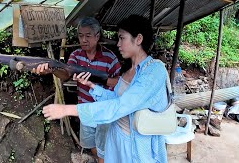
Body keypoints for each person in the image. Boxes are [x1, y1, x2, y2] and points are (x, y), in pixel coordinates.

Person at [42, 15, 168, 162]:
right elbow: (115, 98)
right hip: (117, 137)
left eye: (122, 38)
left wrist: (68, 110)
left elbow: (122, 105)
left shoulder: (154, 70)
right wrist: (92, 85)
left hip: (138, 144)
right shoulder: (128, 71)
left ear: (138, 39)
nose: (118, 44)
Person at [33, 17, 121, 163]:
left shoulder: (110, 58)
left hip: (104, 111)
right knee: (90, 143)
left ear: (97, 36)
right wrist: (53, 70)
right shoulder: (76, 55)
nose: (84, 40)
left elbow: (119, 83)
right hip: (84, 109)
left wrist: (98, 80)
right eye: (80, 35)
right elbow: (65, 75)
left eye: (88, 36)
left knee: (104, 148)